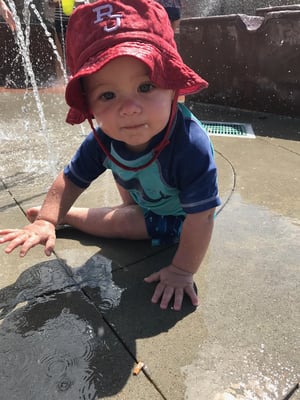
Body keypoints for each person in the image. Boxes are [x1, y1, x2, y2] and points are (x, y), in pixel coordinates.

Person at [0, 0, 221, 311]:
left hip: (179, 215)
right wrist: (46, 219)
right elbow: (70, 178)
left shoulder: (189, 145)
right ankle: (65, 216)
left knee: (126, 225)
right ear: (90, 106)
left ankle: (74, 217)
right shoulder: (104, 139)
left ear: (173, 87)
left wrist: (182, 270)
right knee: (121, 169)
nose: (129, 108)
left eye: (146, 87)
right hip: (140, 187)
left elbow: (202, 216)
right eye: (108, 95)